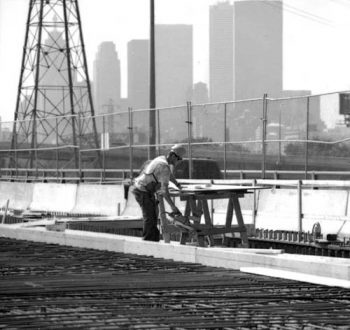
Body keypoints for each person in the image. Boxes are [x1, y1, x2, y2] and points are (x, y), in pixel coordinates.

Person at [132, 144, 186, 241]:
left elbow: (169, 175)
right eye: (179, 159)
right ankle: (147, 243)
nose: (178, 162)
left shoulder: (162, 159)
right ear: (173, 155)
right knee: (150, 218)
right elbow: (164, 192)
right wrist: (174, 208)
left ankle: (153, 240)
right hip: (142, 191)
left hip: (142, 189)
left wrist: (177, 185)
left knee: (153, 216)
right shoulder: (164, 166)